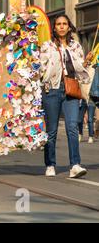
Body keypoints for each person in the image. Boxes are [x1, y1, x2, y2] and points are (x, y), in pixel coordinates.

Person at [40, 14, 92, 179]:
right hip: (52, 90)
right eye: (58, 24)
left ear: (69, 27)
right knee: (52, 130)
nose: (61, 26)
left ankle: (75, 164)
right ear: (54, 27)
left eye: (64, 24)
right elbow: (41, 67)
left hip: (71, 89)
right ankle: (50, 164)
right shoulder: (46, 46)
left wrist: (86, 62)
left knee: (72, 127)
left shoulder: (76, 46)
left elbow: (78, 68)